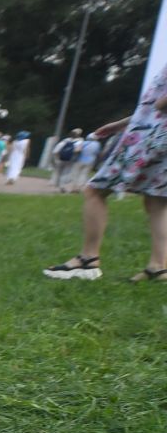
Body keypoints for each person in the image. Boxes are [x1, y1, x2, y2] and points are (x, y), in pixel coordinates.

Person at [43, 62, 167, 283]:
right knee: (156, 200)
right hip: (156, 132)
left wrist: (158, 106)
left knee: (96, 190)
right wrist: (124, 123)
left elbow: (159, 104)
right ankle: (158, 267)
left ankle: (88, 259)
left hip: (153, 135)